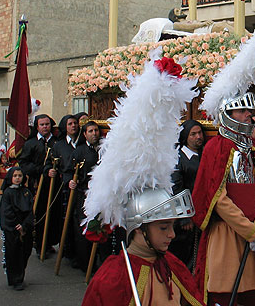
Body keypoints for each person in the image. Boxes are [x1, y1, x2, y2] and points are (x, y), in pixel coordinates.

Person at [81, 54, 203, 305]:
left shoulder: (174, 267)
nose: (171, 234)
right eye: (162, 227)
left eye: (170, 225)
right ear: (139, 228)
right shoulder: (113, 278)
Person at [193, 24, 255, 306]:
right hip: (229, 234)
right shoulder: (216, 147)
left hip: (254, 230)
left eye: (249, 111)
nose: (247, 116)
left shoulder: (253, 147)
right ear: (227, 113)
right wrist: (249, 229)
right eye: (241, 110)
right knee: (224, 292)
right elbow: (217, 198)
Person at [19, 114, 60, 256]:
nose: (45, 127)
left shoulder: (56, 142)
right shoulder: (30, 144)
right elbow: (23, 164)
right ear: (37, 127)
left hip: (54, 184)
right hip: (37, 185)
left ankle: (49, 242)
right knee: (39, 214)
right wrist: (41, 170)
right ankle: (39, 244)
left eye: (47, 124)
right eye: (42, 125)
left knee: (54, 213)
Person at [170, 119, 204, 270]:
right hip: (186, 219)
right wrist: (184, 217)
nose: (198, 137)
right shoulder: (179, 158)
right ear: (185, 137)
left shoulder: (203, 154)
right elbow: (177, 188)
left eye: (200, 133)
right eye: (193, 134)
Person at [68, 120, 102, 271]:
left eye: (96, 130)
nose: (94, 133)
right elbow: (69, 171)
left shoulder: (103, 149)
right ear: (84, 134)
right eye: (90, 131)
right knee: (84, 228)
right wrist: (70, 181)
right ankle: (85, 263)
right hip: (83, 195)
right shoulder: (79, 151)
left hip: (101, 194)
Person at [47, 114, 80, 261]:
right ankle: (67, 250)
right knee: (65, 218)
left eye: (75, 123)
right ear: (64, 127)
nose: (73, 126)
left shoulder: (82, 143)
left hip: (80, 185)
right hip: (64, 187)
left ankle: (78, 253)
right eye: (70, 124)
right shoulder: (59, 145)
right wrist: (49, 170)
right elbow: (50, 163)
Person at [0, 167, 34, 290]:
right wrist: (15, 225)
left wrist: (24, 225)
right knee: (13, 254)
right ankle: (15, 279)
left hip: (25, 227)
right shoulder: (7, 193)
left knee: (25, 252)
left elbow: (30, 211)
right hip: (12, 229)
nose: (18, 178)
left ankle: (20, 275)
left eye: (20, 175)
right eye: (15, 176)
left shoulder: (27, 192)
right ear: (10, 178)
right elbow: (5, 212)